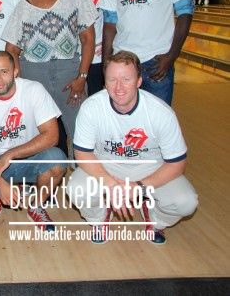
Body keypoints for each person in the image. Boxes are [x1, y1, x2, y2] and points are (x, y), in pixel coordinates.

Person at [66, 51, 198, 244]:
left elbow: (177, 164)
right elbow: (82, 153)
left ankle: (154, 218)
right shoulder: (91, 107)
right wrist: (111, 185)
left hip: (150, 167)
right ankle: (99, 217)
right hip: (106, 164)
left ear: (139, 81)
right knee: (76, 189)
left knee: (186, 202)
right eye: (112, 79)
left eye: (126, 79)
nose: (118, 87)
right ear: (105, 82)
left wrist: (139, 187)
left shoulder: (161, 113)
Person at [1, 0, 97, 154]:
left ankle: (83, 169)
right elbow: (11, 49)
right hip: (35, 74)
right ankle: (49, 169)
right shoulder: (23, 6)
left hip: (69, 72)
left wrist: (82, 76)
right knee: (40, 133)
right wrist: (21, 85)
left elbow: (88, 39)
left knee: (80, 129)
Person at [0, 51, 66, 231]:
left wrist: (10, 154)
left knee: (57, 161)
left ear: (15, 72)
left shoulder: (34, 90)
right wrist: (0, 184)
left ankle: (35, 206)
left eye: (4, 71)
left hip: (29, 157)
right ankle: (1, 192)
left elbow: (51, 136)